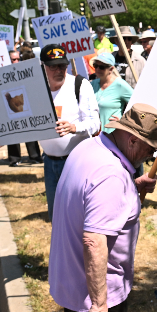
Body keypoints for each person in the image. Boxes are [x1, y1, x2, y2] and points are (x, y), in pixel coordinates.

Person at [49, 104, 157, 312]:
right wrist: (100, 306)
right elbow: (93, 241)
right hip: (97, 293)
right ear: (133, 139)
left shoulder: (89, 147)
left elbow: (90, 199)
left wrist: (131, 188)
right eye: (150, 147)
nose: (152, 153)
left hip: (73, 281)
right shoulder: (111, 176)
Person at [38, 44, 100, 221]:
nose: (59, 70)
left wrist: (74, 128)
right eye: (53, 66)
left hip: (75, 162)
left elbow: (95, 123)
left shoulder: (79, 85)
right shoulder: (37, 89)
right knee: (57, 217)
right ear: (43, 66)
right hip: (49, 162)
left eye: (62, 66)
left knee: (77, 217)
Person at [90, 52, 133, 133]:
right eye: (96, 65)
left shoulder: (120, 85)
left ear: (111, 69)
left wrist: (124, 121)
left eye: (102, 67)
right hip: (94, 136)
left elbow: (137, 104)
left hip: (112, 135)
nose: (98, 69)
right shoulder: (92, 84)